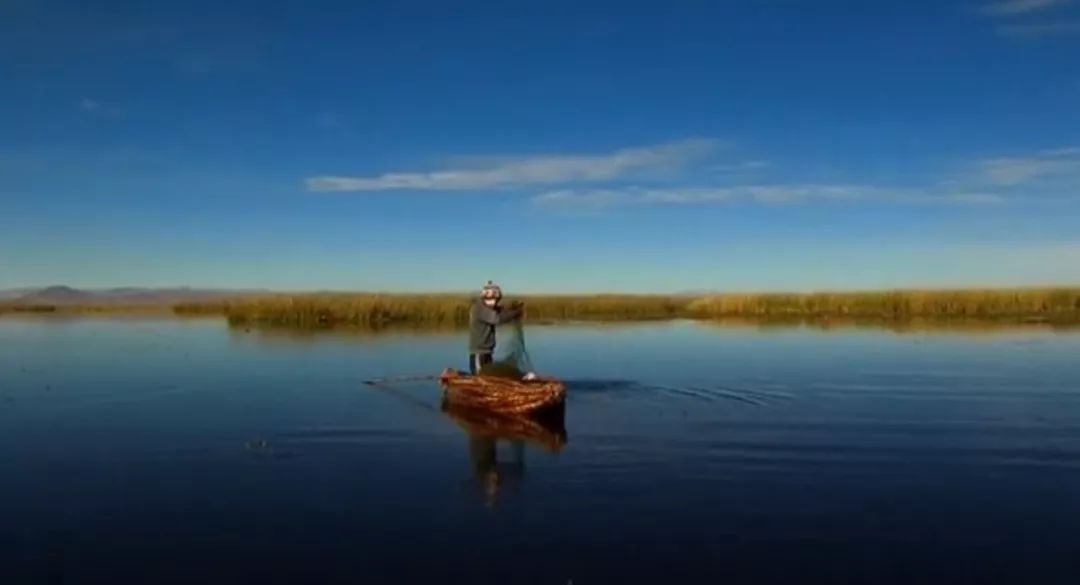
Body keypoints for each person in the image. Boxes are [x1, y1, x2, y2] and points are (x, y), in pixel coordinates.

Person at [468, 281, 524, 375]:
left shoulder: (489, 308)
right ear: (484, 297)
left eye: (496, 300)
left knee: (490, 379)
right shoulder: (479, 308)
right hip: (479, 353)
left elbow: (502, 311)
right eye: (491, 299)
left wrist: (513, 308)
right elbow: (497, 319)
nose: (494, 303)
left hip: (488, 352)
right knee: (479, 379)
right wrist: (516, 313)